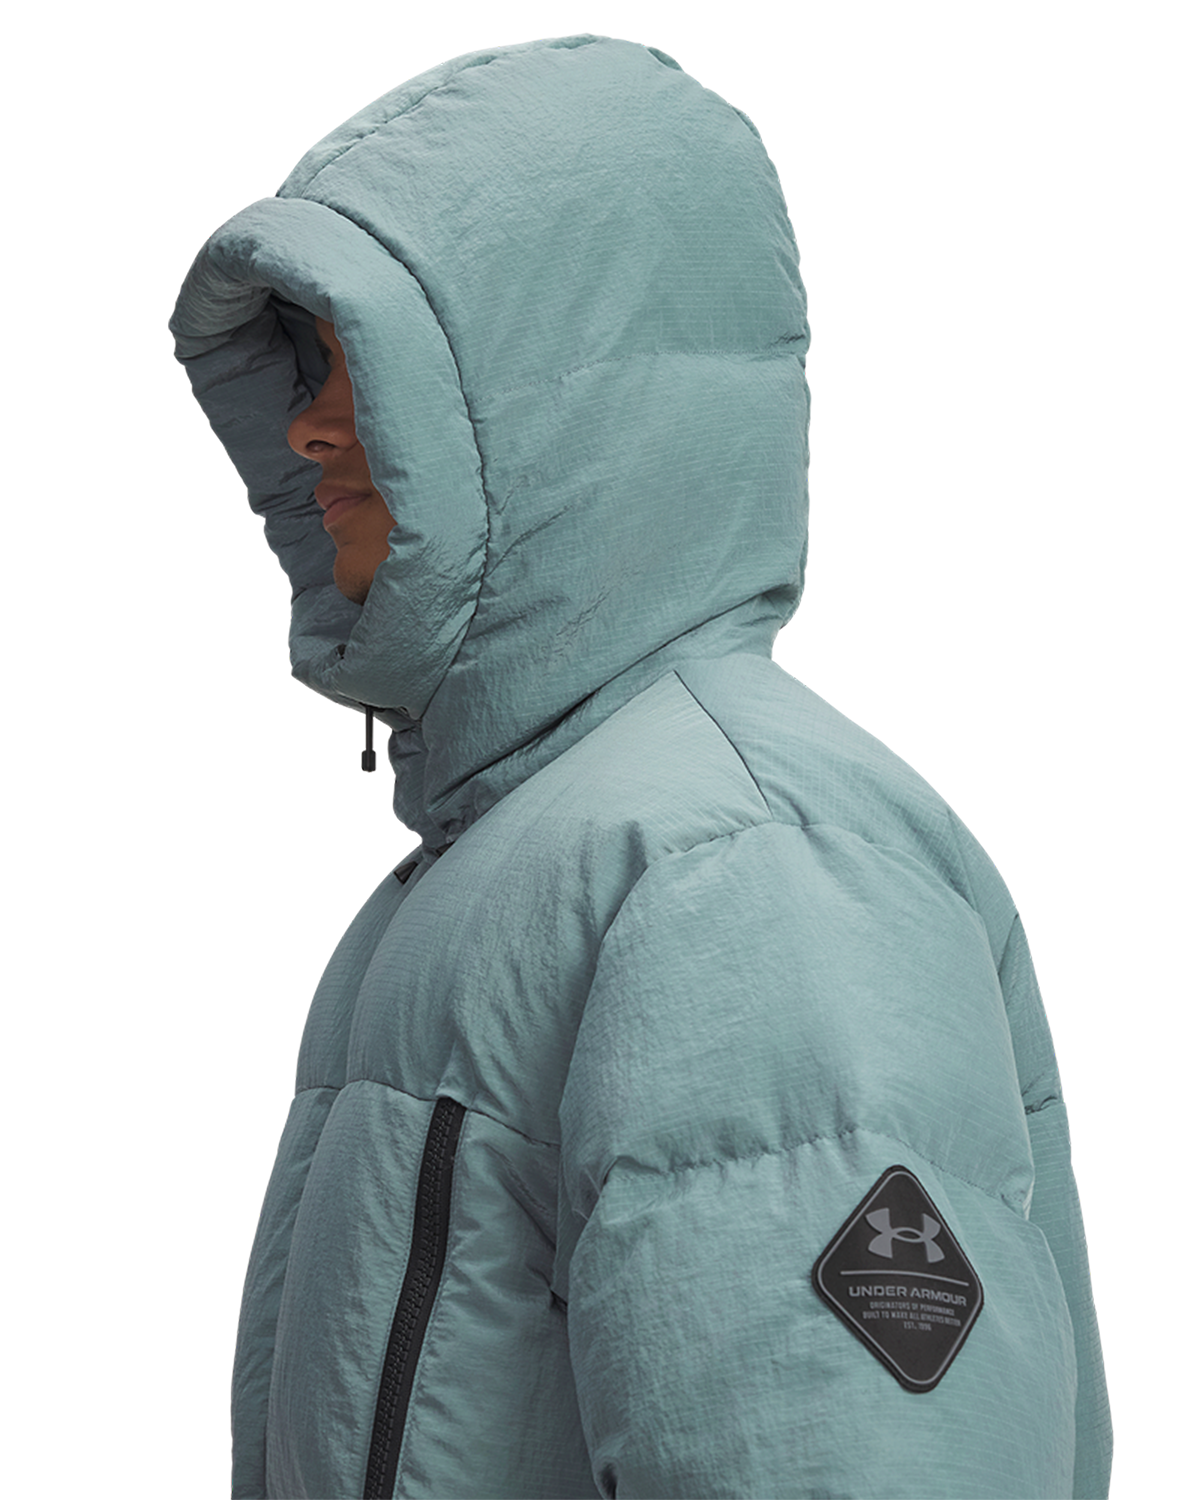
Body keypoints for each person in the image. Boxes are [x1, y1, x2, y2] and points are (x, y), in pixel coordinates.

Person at [172, 34, 1111, 1500]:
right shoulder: (515, 852)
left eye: (372, 368)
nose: (307, 426)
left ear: (543, 404)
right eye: (310, 368)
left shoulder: (740, 859)